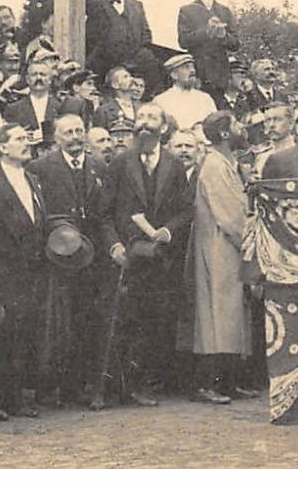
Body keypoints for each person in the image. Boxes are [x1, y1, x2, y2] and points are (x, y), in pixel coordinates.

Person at [101, 104, 193, 405]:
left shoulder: (175, 165)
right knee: (123, 322)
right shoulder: (119, 163)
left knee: (153, 323)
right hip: (128, 257)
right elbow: (104, 214)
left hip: (161, 258)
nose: (144, 124)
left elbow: (185, 210)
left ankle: (141, 385)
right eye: (140, 118)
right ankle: (116, 388)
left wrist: (168, 231)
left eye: (152, 119)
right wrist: (114, 245)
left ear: (163, 128)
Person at [29, 112, 110, 409]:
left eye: (79, 131)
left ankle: (81, 385)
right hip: (59, 257)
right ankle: (52, 387)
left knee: (87, 320)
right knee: (58, 323)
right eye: (68, 133)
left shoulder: (99, 165)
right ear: (56, 137)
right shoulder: (40, 167)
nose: (75, 137)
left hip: (93, 258)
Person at [0, 122, 49, 420]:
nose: (26, 143)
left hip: (32, 269)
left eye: (27, 138)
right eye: (19, 139)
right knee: (1, 334)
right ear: (2, 146)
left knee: (24, 332)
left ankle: (17, 397)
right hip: (4, 269)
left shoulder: (32, 178)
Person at [187, 111, 256, 404]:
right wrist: (252, 243)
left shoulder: (229, 163)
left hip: (229, 249)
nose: (244, 128)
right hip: (219, 249)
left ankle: (229, 382)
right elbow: (230, 216)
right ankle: (208, 383)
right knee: (217, 315)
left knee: (231, 315)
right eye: (238, 124)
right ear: (226, 133)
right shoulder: (214, 166)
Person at [175, 0, 239, 102]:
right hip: (199, 71)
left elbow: (236, 44)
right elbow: (183, 41)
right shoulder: (188, 11)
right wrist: (206, 31)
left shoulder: (224, 11)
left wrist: (223, 36)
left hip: (222, 72)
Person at [84, 0, 154, 84]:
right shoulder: (93, 1)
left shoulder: (136, 5)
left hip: (134, 64)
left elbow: (146, 33)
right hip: (104, 64)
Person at [153, 53, 217, 132]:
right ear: (174, 75)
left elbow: (215, 126)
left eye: (193, 67)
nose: (192, 71)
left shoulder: (205, 99)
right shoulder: (161, 100)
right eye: (186, 67)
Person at [3, 60, 62, 143]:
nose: (39, 78)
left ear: (50, 79)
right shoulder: (13, 109)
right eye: (34, 74)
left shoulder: (61, 107)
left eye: (43, 74)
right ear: (27, 79)